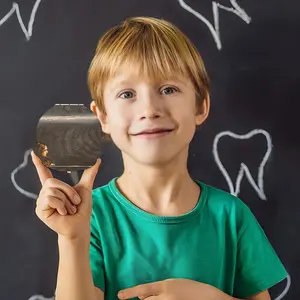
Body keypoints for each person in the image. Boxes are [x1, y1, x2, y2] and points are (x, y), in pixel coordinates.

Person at [31, 16, 288, 300]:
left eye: (168, 89)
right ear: (102, 116)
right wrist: (72, 239)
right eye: (127, 93)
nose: (150, 109)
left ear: (200, 106)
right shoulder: (91, 216)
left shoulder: (231, 217)